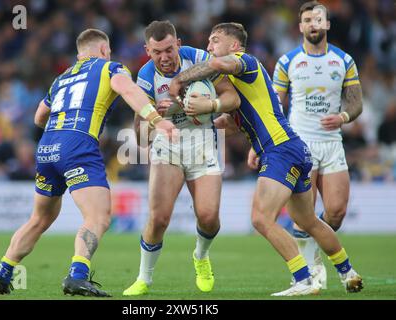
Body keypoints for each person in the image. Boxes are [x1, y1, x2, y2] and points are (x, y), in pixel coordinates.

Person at [169, 22, 363, 296]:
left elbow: (220, 65)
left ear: (234, 46)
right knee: (308, 221)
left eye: (214, 41)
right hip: (291, 148)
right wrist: (201, 116)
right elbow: (235, 122)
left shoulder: (244, 62)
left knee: (261, 218)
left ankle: (303, 278)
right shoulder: (241, 86)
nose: (209, 47)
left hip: (280, 150)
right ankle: (349, 273)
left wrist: (180, 80)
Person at [0, 28, 176, 297]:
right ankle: (77, 275)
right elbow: (128, 90)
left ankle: (3, 274)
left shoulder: (61, 78)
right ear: (103, 50)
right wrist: (157, 119)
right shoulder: (111, 68)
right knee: (97, 216)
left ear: (79, 54)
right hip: (78, 145)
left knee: (39, 218)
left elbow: (39, 117)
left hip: (47, 147)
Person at [123, 20, 240, 296]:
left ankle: (200, 256)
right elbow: (139, 136)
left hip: (203, 143)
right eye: (156, 52)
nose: (164, 57)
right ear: (147, 51)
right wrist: (155, 118)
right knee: (159, 218)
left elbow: (231, 97)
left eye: (168, 49)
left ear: (178, 43)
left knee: (209, 217)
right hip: (169, 143)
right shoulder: (145, 75)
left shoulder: (200, 59)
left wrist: (210, 105)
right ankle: (144, 278)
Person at [272, 1, 363, 289]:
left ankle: (315, 256)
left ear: (327, 25)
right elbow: (274, 106)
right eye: (308, 20)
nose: (313, 24)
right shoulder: (288, 62)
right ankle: (312, 270)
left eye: (318, 20)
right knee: (304, 213)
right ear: (300, 26)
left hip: (332, 142)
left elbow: (356, 100)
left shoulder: (343, 60)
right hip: (301, 143)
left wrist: (344, 116)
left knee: (336, 211)